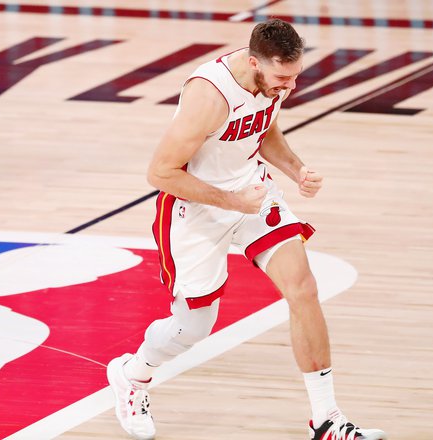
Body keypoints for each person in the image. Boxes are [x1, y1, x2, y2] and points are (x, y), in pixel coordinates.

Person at [107, 18, 387, 440]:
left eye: (295, 76)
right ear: (254, 62)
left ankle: (326, 420)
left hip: (251, 191)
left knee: (304, 289)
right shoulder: (209, 95)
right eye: (281, 77)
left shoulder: (271, 82)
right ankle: (133, 375)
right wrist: (232, 202)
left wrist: (296, 170)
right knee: (192, 327)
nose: (289, 87)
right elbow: (160, 173)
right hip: (194, 206)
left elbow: (264, 127)